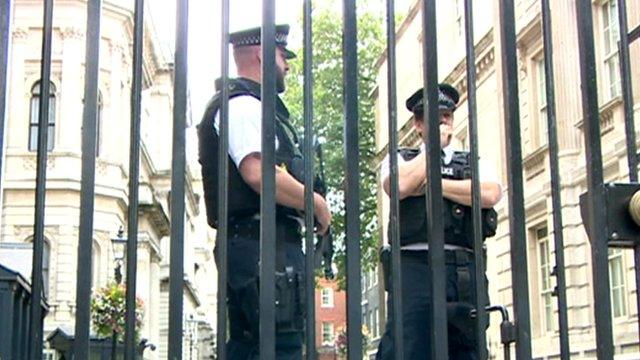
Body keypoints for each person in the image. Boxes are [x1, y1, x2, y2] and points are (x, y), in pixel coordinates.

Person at [197, 24, 332, 359]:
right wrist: (314, 203)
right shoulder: (243, 105)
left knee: (254, 346)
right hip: (261, 244)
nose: (286, 65)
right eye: (282, 56)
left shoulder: (254, 107)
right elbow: (258, 173)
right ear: (261, 54)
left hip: (262, 244)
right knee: (278, 346)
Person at [375, 84, 502, 359]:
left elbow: (490, 193)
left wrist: (435, 184)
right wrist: (432, 151)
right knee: (407, 348)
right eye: (434, 118)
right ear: (419, 125)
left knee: (465, 349)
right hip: (412, 269)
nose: (442, 122)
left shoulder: (472, 160)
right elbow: (398, 186)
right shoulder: (400, 158)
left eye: (446, 116)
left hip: (461, 269)